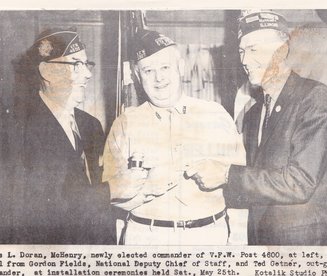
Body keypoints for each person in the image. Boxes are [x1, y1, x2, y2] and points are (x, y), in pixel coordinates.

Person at [186, 11, 327, 245]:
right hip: (260, 240)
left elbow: (299, 183)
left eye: (254, 49)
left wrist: (226, 173)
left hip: (303, 245)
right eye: (241, 51)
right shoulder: (253, 113)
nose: (245, 60)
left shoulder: (314, 97)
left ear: (283, 50)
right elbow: (257, 182)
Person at [102, 29, 246, 245]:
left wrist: (239, 237)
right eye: (148, 70)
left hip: (209, 236)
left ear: (180, 66)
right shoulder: (125, 124)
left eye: (165, 67)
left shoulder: (215, 114)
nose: (158, 78)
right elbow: (106, 195)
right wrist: (144, 191)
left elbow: (242, 180)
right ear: (137, 76)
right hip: (146, 237)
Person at [13, 28, 115, 244]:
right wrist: (113, 191)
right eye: (76, 65)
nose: (87, 74)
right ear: (47, 71)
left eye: (87, 65)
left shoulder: (91, 125)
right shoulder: (19, 129)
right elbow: (42, 208)